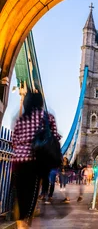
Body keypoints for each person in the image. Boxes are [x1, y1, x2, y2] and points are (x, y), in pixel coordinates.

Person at [10, 91, 61, 228]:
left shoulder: (20, 119)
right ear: (40, 103)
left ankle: (20, 223)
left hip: (18, 161)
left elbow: (13, 140)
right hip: (35, 160)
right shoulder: (46, 117)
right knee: (32, 195)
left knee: (20, 195)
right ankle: (24, 225)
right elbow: (54, 136)